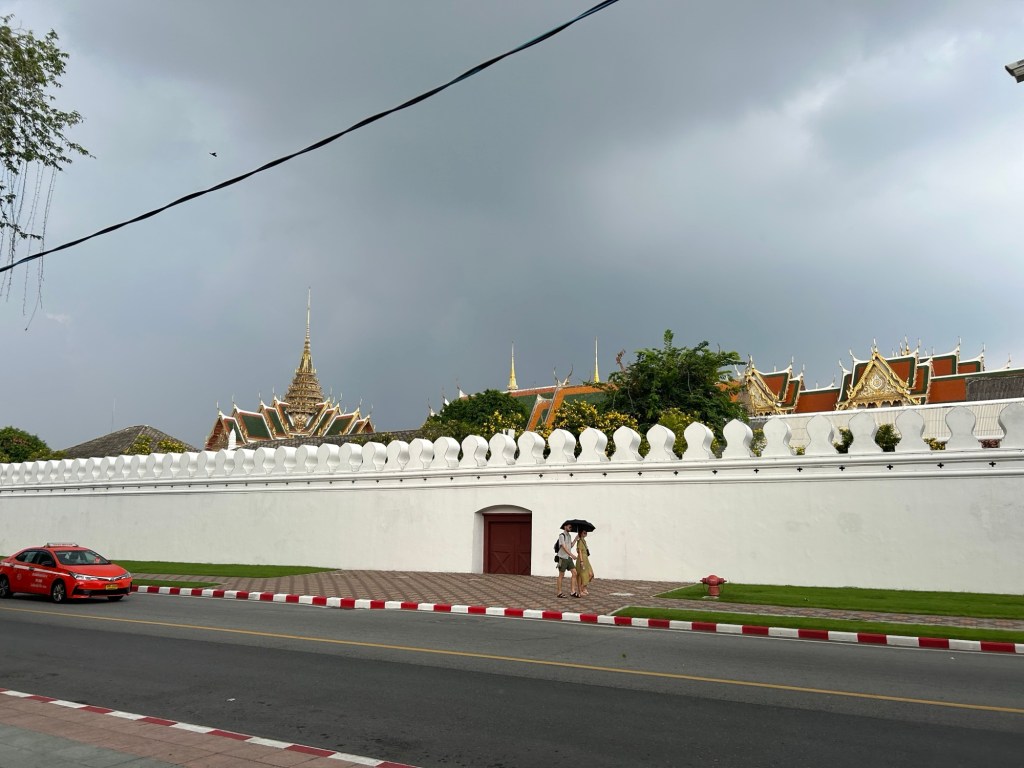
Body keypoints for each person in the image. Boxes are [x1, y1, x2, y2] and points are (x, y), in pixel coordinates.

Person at [555, 521, 578, 598]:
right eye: (569, 527)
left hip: (568, 558)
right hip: (562, 558)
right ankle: (559, 593)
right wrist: (572, 555)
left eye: (571, 527)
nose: (570, 528)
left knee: (574, 573)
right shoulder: (562, 536)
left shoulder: (569, 536)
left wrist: (575, 539)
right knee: (561, 575)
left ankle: (573, 591)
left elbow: (570, 546)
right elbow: (564, 547)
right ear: (565, 527)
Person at [575, 529, 594, 596]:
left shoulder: (584, 541)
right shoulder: (580, 541)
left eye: (586, 532)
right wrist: (581, 561)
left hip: (586, 559)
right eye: (584, 532)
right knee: (581, 575)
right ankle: (580, 590)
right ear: (580, 533)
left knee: (591, 574)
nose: (585, 533)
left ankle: (583, 587)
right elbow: (580, 551)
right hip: (582, 559)